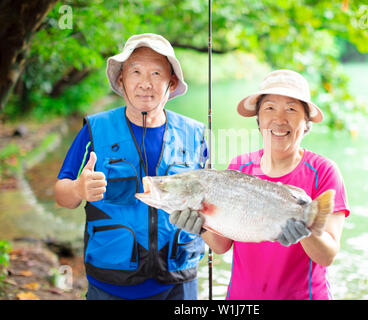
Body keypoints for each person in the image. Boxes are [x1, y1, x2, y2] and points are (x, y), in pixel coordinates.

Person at [171, 69, 350, 300]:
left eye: (291, 109)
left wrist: (306, 233)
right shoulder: (239, 167)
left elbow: (327, 256)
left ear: (306, 122)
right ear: (258, 119)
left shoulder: (324, 172)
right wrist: (201, 225)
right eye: (269, 108)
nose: (279, 119)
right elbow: (222, 245)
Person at [54, 33, 208, 300]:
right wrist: (79, 189)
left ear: (171, 83)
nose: (145, 83)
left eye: (156, 74)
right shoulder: (95, 129)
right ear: (121, 80)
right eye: (135, 72)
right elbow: (61, 194)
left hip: (179, 283)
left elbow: (212, 200)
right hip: (109, 285)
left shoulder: (194, 135)